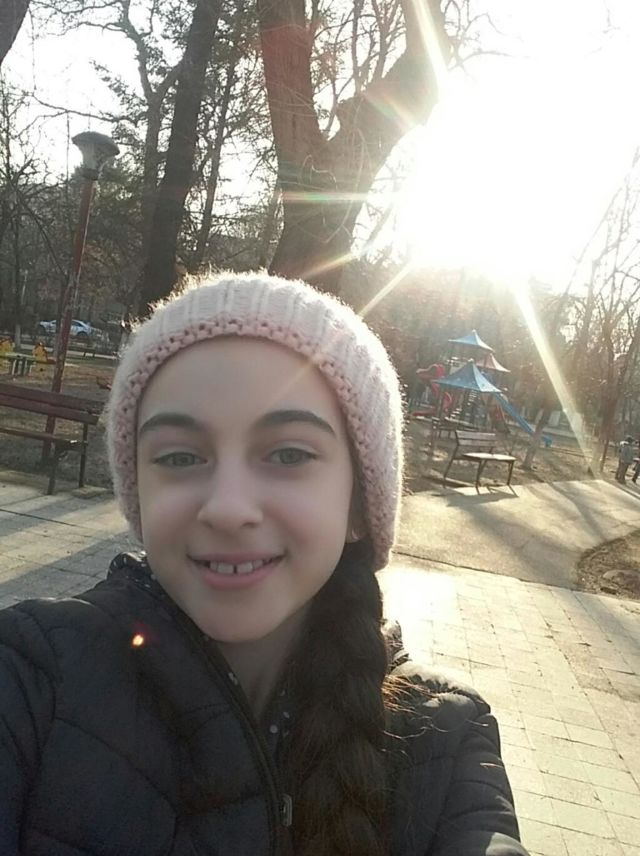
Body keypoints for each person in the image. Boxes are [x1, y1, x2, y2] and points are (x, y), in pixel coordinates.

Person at [0, 273, 529, 856]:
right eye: (179, 457)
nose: (228, 509)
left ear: (359, 504)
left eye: (289, 453)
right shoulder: (29, 675)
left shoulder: (447, 743)